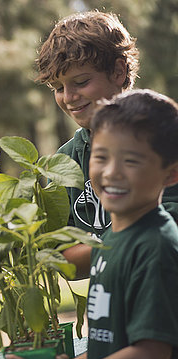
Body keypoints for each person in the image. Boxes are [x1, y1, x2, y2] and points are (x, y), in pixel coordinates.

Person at [4, 89, 178, 359]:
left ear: (171, 173)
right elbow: (112, 344)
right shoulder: (111, 239)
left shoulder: (156, 247)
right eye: (101, 157)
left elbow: (150, 358)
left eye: (132, 160)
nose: (111, 172)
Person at [36, 10, 178, 276]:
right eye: (58, 88)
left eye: (81, 82)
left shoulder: (163, 134)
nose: (69, 97)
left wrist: (100, 248)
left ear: (118, 71)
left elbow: (166, 233)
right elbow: (62, 260)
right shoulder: (65, 161)